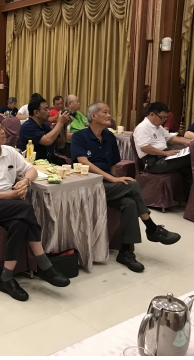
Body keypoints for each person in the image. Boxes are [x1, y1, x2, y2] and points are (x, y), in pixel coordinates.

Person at [0, 118, 70, 301]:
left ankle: (6, 277)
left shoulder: (10, 152)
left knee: (20, 224)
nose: (3, 131)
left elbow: (32, 170)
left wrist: (25, 181)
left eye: (2, 128)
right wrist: (9, 196)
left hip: (9, 206)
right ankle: (44, 264)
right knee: (25, 207)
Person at [71, 102, 181, 273]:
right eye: (105, 112)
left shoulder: (109, 137)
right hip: (88, 185)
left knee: (129, 203)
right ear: (93, 116)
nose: (109, 115)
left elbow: (113, 164)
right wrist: (112, 179)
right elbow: (83, 162)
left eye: (109, 112)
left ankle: (125, 252)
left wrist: (114, 179)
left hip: (107, 184)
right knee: (133, 185)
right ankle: (151, 227)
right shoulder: (80, 136)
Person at [133, 102, 193, 194]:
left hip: (162, 158)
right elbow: (145, 148)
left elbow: (170, 138)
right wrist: (165, 153)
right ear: (152, 114)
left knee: (188, 169)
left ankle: (187, 196)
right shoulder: (143, 128)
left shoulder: (158, 127)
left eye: (165, 118)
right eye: (162, 117)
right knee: (188, 158)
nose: (164, 120)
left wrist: (185, 142)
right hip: (152, 163)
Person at [18, 95, 71, 165]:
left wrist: (64, 125)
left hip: (48, 162)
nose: (49, 112)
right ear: (36, 113)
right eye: (46, 109)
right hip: (34, 164)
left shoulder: (44, 126)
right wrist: (60, 122)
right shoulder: (27, 126)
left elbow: (60, 144)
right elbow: (47, 141)